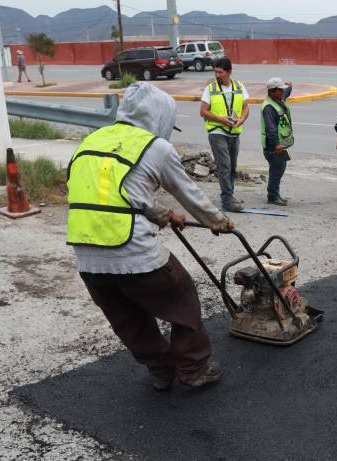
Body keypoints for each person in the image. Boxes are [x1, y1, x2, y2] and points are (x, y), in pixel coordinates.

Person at [66, 83, 235, 390]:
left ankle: (160, 370)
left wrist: (163, 214)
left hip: (87, 257)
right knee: (181, 297)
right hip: (132, 251)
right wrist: (219, 222)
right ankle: (194, 367)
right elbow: (189, 193)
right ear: (159, 117)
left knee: (128, 318)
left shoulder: (92, 140)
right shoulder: (156, 148)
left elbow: (116, 193)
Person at [199, 58, 250, 213]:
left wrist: (241, 119)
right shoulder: (210, 88)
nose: (217, 75)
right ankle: (227, 201)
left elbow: (245, 107)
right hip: (217, 132)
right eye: (215, 72)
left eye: (220, 72)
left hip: (234, 133)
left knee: (232, 167)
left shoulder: (239, 86)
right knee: (225, 166)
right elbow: (203, 112)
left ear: (229, 72)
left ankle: (230, 195)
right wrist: (220, 119)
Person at [261, 77, 293, 206]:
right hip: (273, 146)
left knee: (280, 169)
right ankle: (272, 196)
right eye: (280, 90)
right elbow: (271, 129)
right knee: (276, 171)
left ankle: (275, 194)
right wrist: (277, 145)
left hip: (279, 144)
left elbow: (286, 93)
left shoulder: (278, 99)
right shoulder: (269, 107)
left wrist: (289, 86)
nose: (283, 92)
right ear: (272, 91)